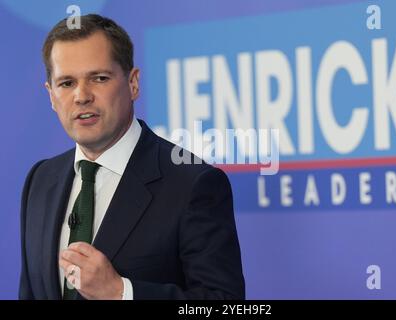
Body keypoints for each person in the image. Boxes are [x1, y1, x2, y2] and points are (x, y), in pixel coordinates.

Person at [19, 14, 245, 300]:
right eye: (66, 83)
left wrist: (121, 292)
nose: (81, 96)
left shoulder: (193, 183)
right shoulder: (40, 180)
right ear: (51, 96)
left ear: (133, 83)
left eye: (99, 78)